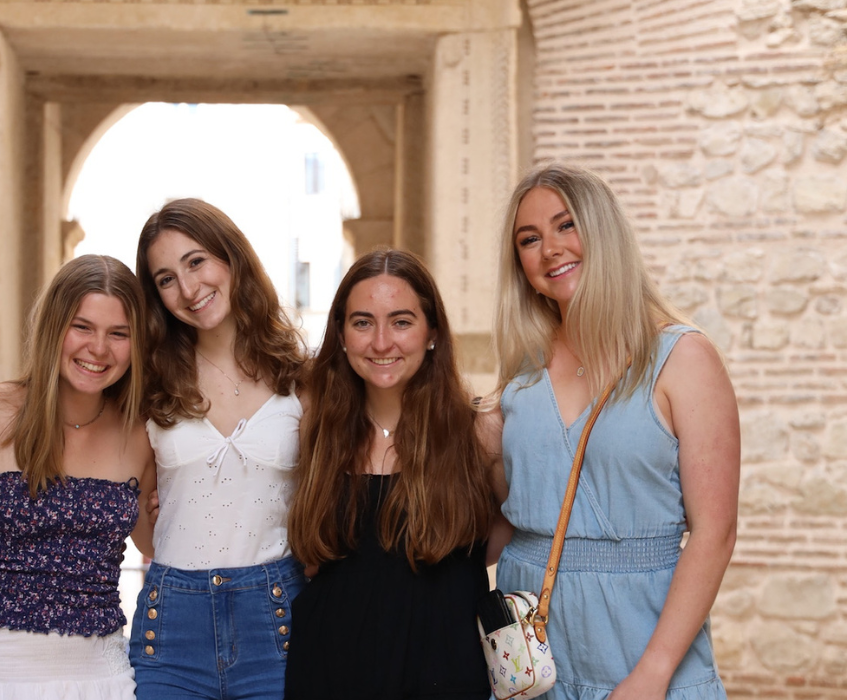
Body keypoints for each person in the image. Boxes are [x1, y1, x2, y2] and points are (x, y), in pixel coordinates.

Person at [483, 162, 739, 699]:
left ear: (603, 231)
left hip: (642, 655)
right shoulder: (522, 372)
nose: (549, 248)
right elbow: (505, 520)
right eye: (529, 239)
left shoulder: (683, 358)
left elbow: (714, 533)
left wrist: (653, 673)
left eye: (566, 225)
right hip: (533, 664)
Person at [283, 248, 494, 700]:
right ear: (340, 334)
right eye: (362, 323)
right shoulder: (315, 431)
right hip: (328, 675)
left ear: (432, 332)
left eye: (401, 322)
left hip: (445, 676)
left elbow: (508, 531)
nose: (381, 343)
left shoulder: (478, 432)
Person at [0, 254, 155, 699]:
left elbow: (156, 544)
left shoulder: (142, 435)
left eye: (118, 334)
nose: (98, 349)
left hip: (102, 675)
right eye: (82, 327)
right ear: (53, 327)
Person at [129, 198, 308, 700]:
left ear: (231, 258)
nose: (188, 289)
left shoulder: (301, 379)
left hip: (276, 619)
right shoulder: (149, 384)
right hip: (172, 624)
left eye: (196, 261)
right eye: (165, 279)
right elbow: (143, 522)